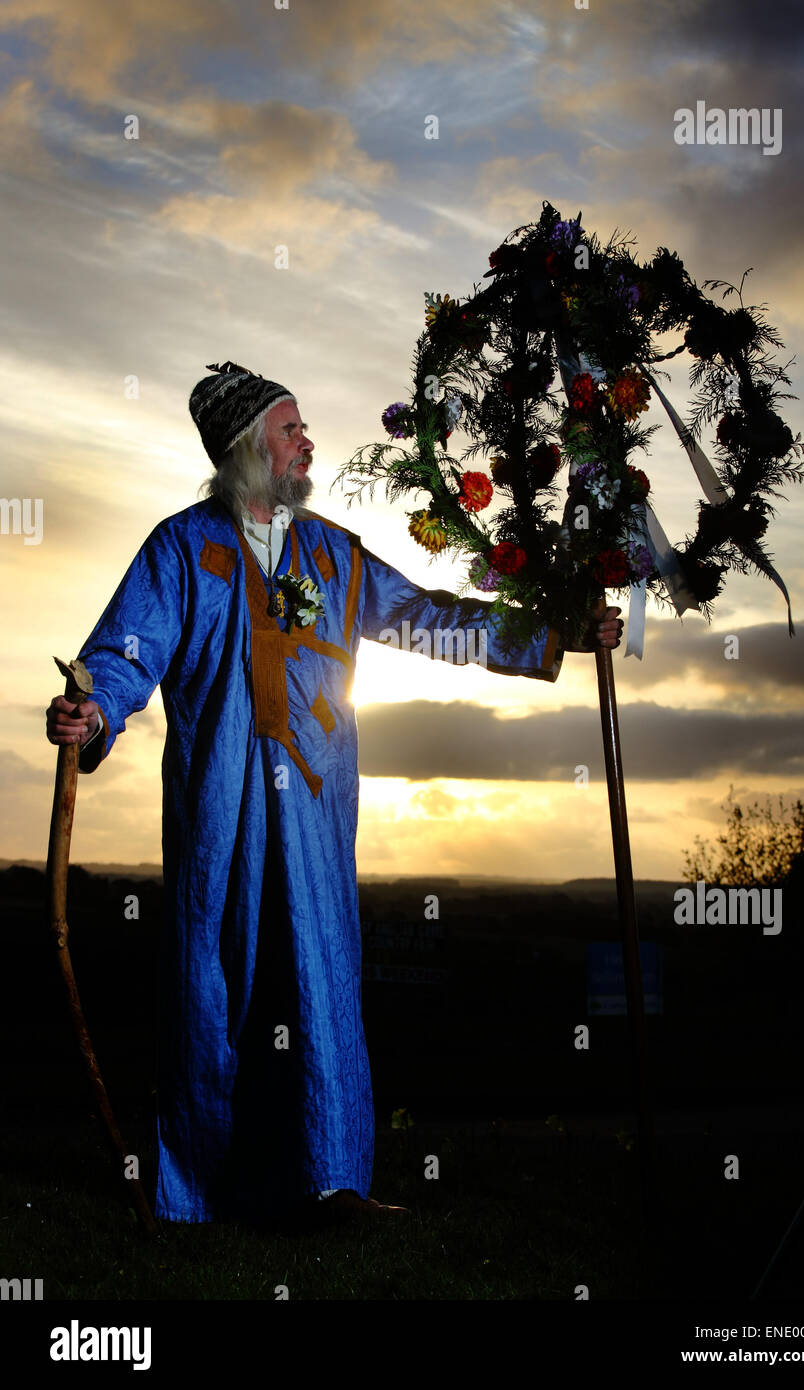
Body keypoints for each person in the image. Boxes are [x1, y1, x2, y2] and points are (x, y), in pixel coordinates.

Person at [45, 361, 623, 1228]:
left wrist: (559, 632)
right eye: (291, 428)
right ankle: (199, 1191)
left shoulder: (332, 553)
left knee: (317, 979)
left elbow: (429, 619)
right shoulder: (181, 548)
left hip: (315, 810)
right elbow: (128, 649)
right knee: (216, 984)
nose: (308, 441)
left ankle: (331, 1186)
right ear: (248, 448)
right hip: (221, 810)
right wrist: (93, 710)